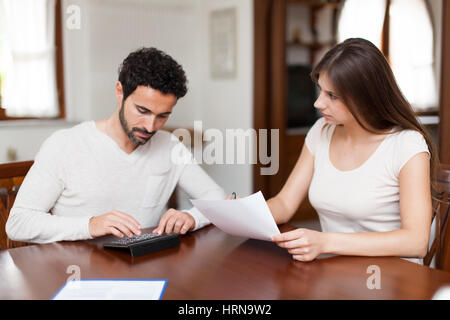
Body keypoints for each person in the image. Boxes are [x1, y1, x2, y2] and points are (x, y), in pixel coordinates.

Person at [6, 47, 226, 243]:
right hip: (77, 273)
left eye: (163, 116)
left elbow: (217, 199)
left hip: (142, 268)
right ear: (120, 92)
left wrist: (192, 217)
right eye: (143, 111)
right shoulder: (65, 144)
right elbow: (18, 223)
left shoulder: (170, 147)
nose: (150, 126)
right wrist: (90, 225)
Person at [269, 38, 437, 264]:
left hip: (392, 280)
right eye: (320, 90)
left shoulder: (406, 145)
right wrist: (243, 212)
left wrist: (325, 242)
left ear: (365, 98)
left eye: (332, 95)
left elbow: (416, 241)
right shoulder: (321, 131)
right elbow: (285, 203)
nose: (318, 103)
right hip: (334, 271)